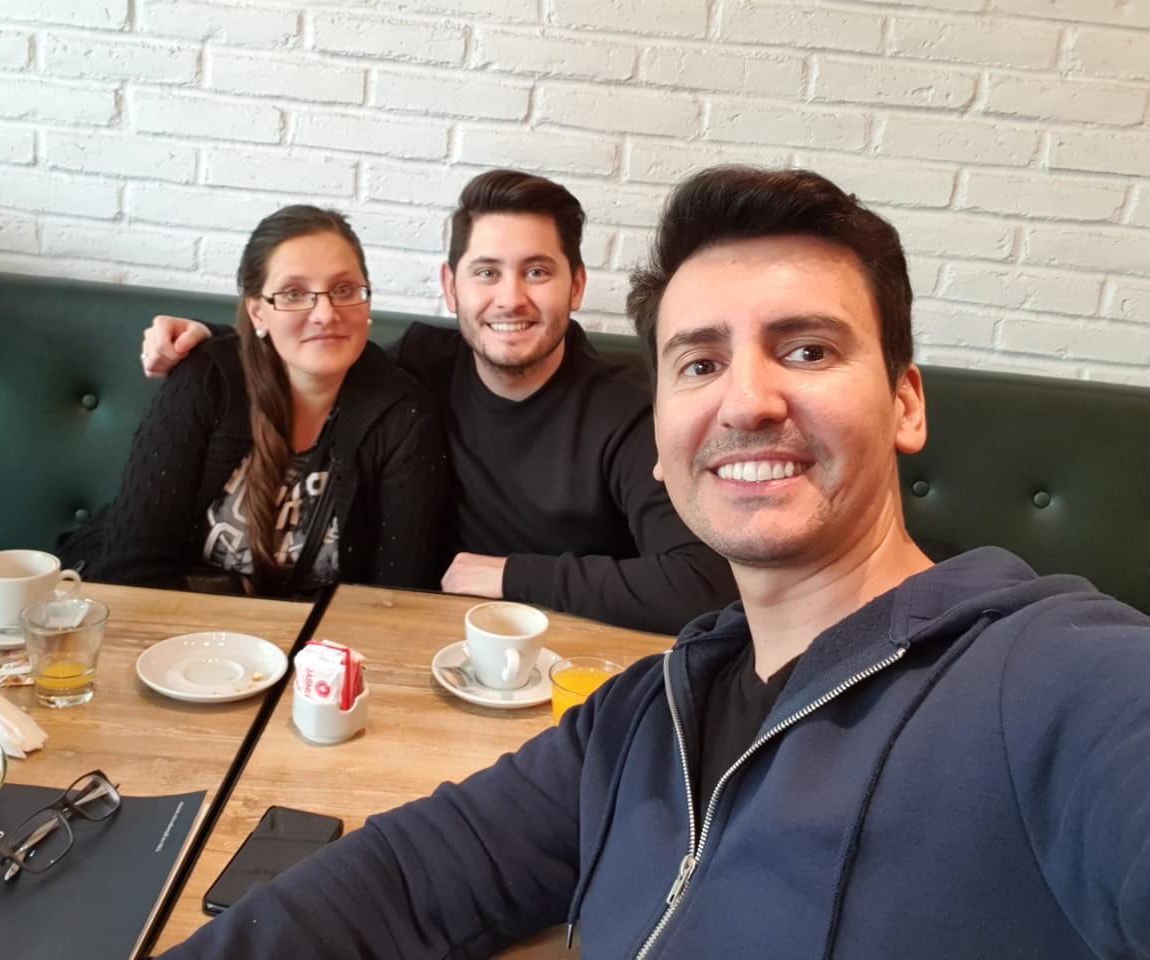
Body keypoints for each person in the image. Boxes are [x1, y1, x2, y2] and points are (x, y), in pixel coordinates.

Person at [157, 167, 1150, 959]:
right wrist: (209, 352)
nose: (746, 401)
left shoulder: (1050, 681)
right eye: (700, 363)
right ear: (665, 438)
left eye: (806, 350)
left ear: (905, 403)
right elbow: (402, 879)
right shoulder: (638, 719)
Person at [141, 170, 737, 634]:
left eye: (536, 272)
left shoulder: (628, 413)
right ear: (451, 287)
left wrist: (511, 575)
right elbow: (320, 346)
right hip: (429, 643)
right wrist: (208, 341)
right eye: (486, 272)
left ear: (576, 285)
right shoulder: (421, 361)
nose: (510, 299)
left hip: (563, 656)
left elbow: (705, 585)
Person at [60, 206, 447, 597]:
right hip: (176, 624)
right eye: (294, 294)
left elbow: (396, 597)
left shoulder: (404, 415)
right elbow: (131, 571)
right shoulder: (209, 380)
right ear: (257, 313)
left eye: (344, 290)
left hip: (318, 635)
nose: (326, 314)